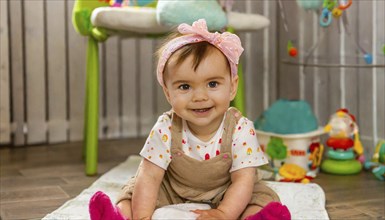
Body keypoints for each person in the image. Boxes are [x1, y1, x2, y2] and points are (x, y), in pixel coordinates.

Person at [89, 19, 290, 220]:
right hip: (174, 188)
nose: (199, 97)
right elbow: (150, 176)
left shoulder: (240, 128)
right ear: (168, 94)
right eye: (185, 87)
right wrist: (142, 216)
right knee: (132, 191)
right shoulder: (166, 127)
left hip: (227, 190)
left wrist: (223, 213)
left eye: (212, 84)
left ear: (232, 87)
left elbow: (242, 180)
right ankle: (118, 217)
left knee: (261, 196)